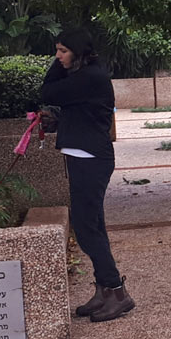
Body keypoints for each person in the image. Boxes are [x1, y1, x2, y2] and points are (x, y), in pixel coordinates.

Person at [42, 30, 134, 322]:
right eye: (57, 51)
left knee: (85, 229)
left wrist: (60, 64)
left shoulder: (89, 76)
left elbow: (48, 91)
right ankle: (104, 290)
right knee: (94, 226)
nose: (58, 57)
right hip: (83, 156)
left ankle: (118, 292)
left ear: (79, 53)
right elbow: (82, 111)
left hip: (91, 159)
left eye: (63, 51)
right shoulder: (87, 75)